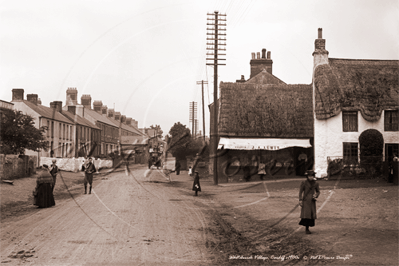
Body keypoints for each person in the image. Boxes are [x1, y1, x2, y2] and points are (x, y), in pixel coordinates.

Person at [299, 170, 320, 234]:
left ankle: (308, 228)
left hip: (312, 201)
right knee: (306, 215)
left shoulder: (316, 183)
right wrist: (300, 200)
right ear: (307, 176)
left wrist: (316, 195)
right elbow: (300, 192)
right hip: (305, 201)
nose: (310, 177)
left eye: (312, 176)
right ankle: (306, 229)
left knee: (311, 215)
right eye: (309, 176)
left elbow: (318, 191)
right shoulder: (304, 182)